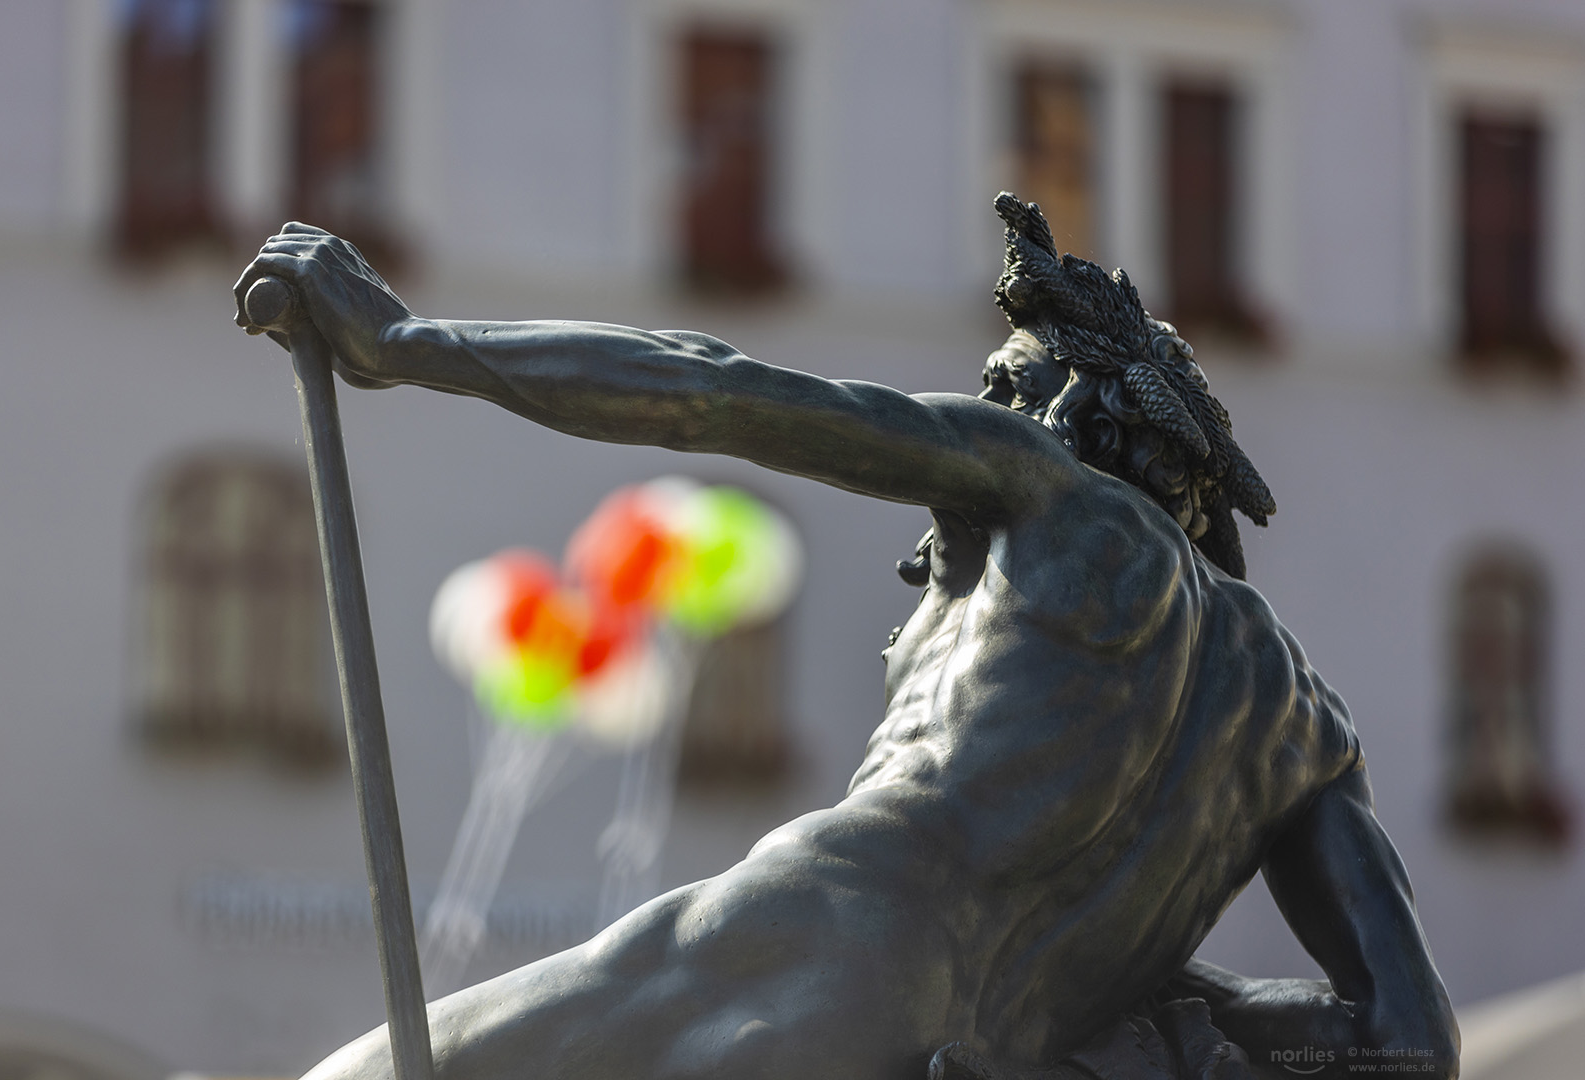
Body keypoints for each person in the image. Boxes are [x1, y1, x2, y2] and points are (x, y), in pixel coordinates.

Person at [235, 195, 1458, 1080]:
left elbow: (712, 389)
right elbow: (1405, 1039)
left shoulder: (1050, 492)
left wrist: (407, 346)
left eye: (1003, 389)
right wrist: (1171, 1008)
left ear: (1069, 408)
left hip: (797, 957)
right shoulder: (1304, 727)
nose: (983, 414)